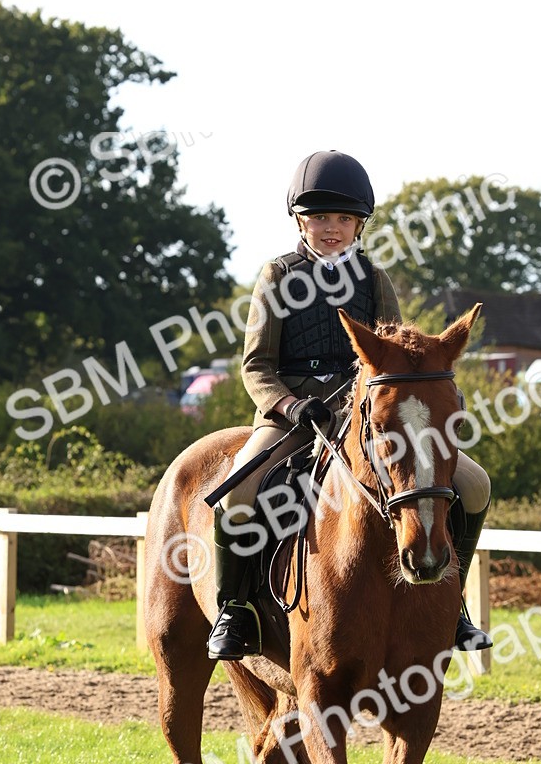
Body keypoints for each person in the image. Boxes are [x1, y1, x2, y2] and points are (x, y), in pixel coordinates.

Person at [206, 149, 493, 660]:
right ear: (300, 220)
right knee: (241, 491)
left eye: (343, 218)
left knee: (473, 485)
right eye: (319, 218)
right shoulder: (276, 277)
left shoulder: (374, 280)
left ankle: (456, 607)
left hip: (364, 419)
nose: (331, 228)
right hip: (292, 417)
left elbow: (397, 358)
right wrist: (293, 407)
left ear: (360, 225)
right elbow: (255, 366)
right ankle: (235, 609)